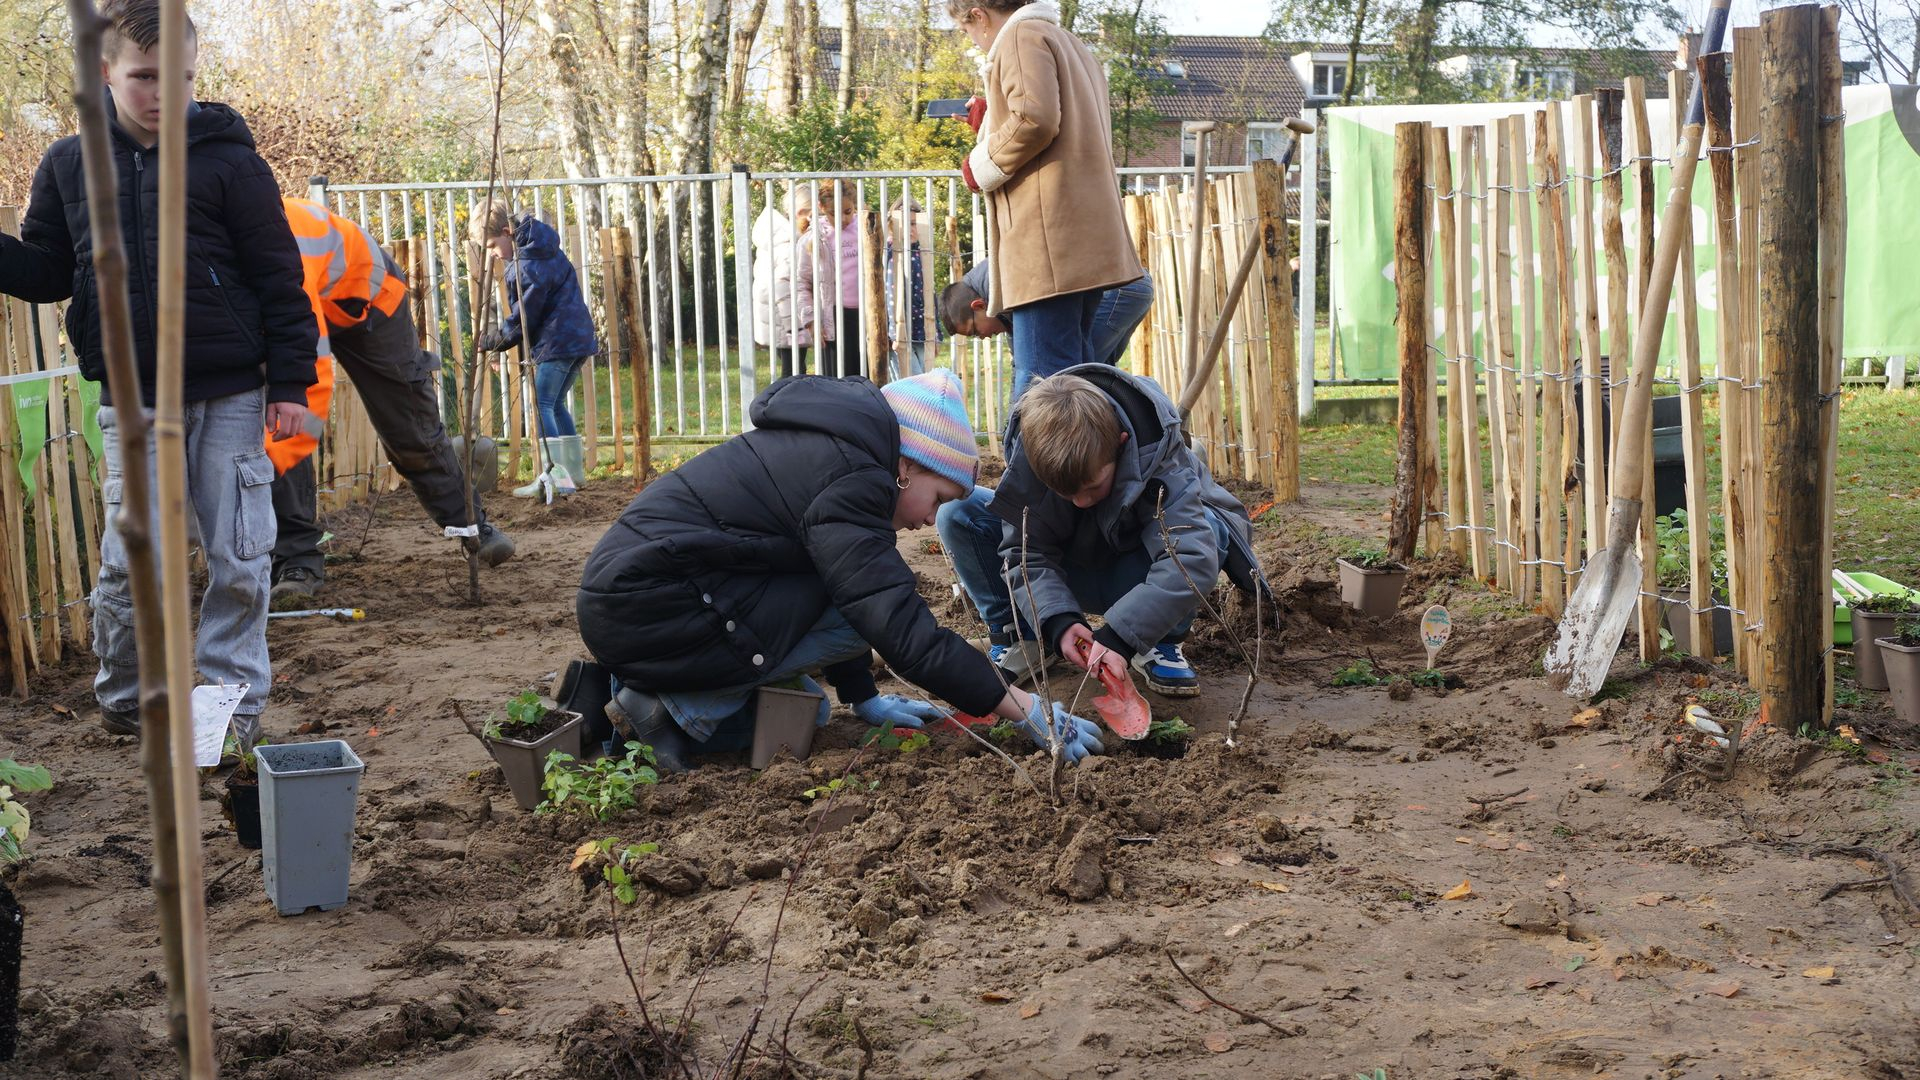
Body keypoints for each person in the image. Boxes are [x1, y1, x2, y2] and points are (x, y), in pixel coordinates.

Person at [0, 0, 316, 745]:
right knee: (131, 561)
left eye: (180, 77)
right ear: (104, 72)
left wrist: (291, 386)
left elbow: (279, 278)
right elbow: (48, 270)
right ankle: (127, 697)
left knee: (239, 557)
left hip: (232, 395)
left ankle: (231, 713)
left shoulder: (230, 162)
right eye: (144, 76)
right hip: (133, 401)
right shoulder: (70, 164)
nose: (162, 93)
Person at [571, 369, 1104, 773]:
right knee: (853, 635)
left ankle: (648, 692)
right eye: (938, 496)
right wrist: (1024, 707)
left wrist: (862, 697)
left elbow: (839, 585)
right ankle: (666, 708)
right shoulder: (854, 479)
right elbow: (896, 627)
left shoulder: (840, 454)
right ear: (907, 466)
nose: (928, 519)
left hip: (658, 597)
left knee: (807, 711)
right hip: (649, 607)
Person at [935, 366, 1264, 697]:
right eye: (1065, 492)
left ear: (1120, 446)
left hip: (1135, 574)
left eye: (1092, 486)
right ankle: (1024, 637)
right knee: (959, 512)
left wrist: (1121, 636)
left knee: (1207, 528)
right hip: (1073, 572)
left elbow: (1191, 558)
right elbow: (1026, 552)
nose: (1079, 502)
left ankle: (1157, 640)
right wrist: (1058, 622)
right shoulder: (1033, 455)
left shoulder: (1158, 451)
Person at [265, 197, 515, 605]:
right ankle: (296, 560)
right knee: (270, 423)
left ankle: (473, 526)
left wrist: (281, 442)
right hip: (310, 300)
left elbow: (305, 375)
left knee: (406, 425)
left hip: (370, 299)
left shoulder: (277, 244)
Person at [951, 0, 1143, 400]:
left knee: (1041, 384)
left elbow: (1034, 119)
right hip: (1082, 239)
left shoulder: (1020, 36)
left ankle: (1027, 466)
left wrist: (979, 164)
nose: (972, 40)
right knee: (1076, 382)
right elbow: (1061, 125)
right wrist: (989, 120)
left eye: (965, 29)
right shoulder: (1069, 42)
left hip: (1046, 244)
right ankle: (1083, 464)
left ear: (978, 15)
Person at [470, 200, 599, 496]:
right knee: (554, 404)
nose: (491, 255)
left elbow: (524, 318)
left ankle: (554, 478)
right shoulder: (542, 247)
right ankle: (573, 477)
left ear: (507, 231)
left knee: (541, 405)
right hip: (576, 337)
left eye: (491, 246)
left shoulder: (528, 265)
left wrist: (493, 341)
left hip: (558, 341)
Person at [938, 260, 1155, 369]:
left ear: (978, 306)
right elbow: (1021, 362)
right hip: (1129, 283)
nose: (983, 337)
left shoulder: (1005, 286)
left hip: (1121, 289)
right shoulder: (993, 293)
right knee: (1092, 372)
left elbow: (1030, 365)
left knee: (1075, 373)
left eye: (975, 331)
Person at [750, 186, 833, 382]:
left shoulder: (780, 238)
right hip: (789, 323)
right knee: (793, 374)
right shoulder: (787, 244)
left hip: (783, 322)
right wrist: (795, 329)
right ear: (800, 213)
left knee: (794, 372)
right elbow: (783, 289)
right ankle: (782, 410)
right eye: (814, 214)